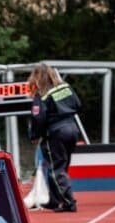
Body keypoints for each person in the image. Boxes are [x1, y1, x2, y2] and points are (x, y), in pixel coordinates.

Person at [28, 63, 81, 212]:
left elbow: (38, 118)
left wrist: (35, 136)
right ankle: (54, 200)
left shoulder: (42, 95)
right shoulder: (65, 87)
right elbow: (78, 104)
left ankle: (69, 202)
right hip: (72, 129)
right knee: (60, 166)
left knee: (56, 168)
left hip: (55, 133)